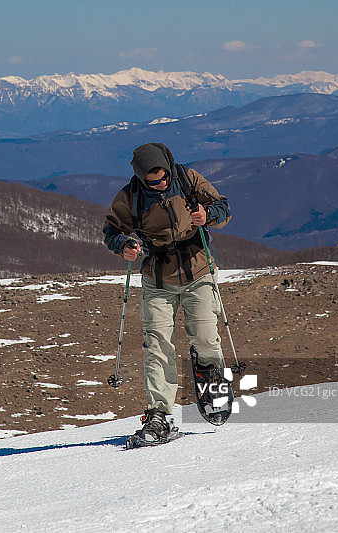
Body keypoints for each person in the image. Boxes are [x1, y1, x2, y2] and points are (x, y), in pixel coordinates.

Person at [103, 142, 231, 441]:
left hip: (198, 268)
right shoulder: (130, 196)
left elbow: (224, 208)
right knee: (157, 345)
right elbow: (112, 230)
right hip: (157, 277)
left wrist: (207, 215)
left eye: (163, 178)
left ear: (169, 168)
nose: (160, 184)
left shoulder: (187, 179)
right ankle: (158, 414)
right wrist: (124, 245)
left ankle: (211, 376)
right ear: (141, 178)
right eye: (153, 182)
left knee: (205, 336)